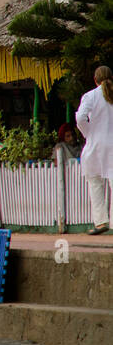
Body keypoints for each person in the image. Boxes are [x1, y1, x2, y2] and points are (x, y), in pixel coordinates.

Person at [76, 65, 113, 236]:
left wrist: (89, 133)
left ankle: (101, 222)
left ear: (95, 80)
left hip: (95, 145)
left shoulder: (90, 96)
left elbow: (80, 117)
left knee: (95, 183)